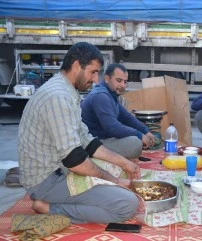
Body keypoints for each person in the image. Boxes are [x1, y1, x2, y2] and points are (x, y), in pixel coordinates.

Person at [18, 42, 141, 224]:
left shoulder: (66, 91)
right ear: (76, 65)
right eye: (93, 72)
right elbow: (74, 161)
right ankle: (50, 208)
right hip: (46, 182)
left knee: (113, 168)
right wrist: (114, 181)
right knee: (127, 203)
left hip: (59, 169)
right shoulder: (58, 96)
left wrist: (124, 163)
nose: (96, 80)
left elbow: (87, 141)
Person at [80, 63, 155, 159]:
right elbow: (113, 128)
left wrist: (145, 131)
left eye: (125, 82)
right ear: (107, 79)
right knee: (135, 143)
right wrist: (140, 135)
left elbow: (127, 117)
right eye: (119, 81)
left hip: (104, 139)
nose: (123, 85)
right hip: (93, 143)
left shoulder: (110, 94)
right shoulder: (101, 96)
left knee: (134, 137)